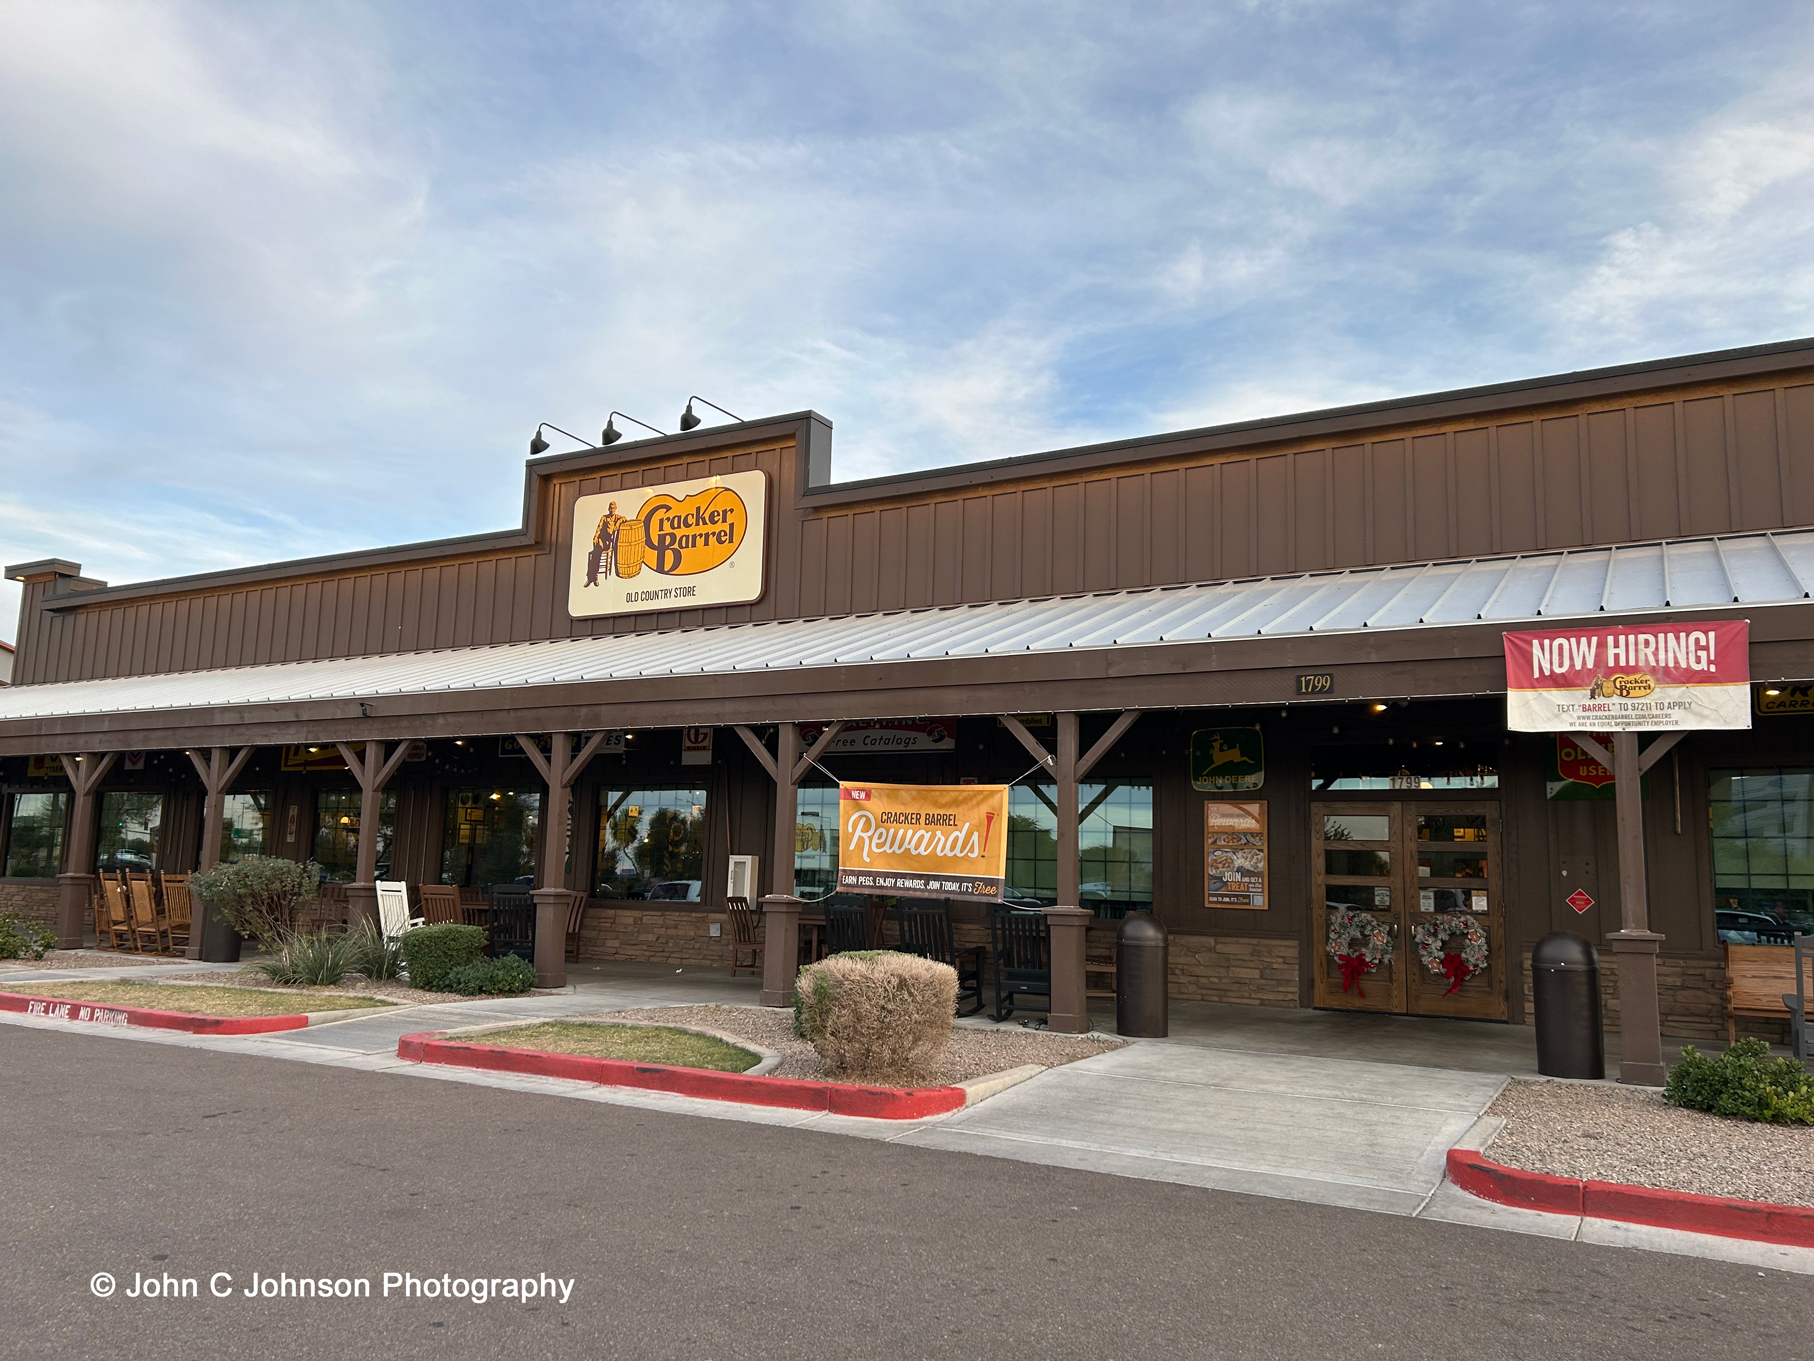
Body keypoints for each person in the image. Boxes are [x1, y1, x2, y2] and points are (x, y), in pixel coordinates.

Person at [584, 502, 626, 586]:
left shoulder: (617, 517)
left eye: (613, 508)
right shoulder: (604, 517)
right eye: (610, 508)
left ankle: (592, 577)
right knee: (596, 551)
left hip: (607, 542)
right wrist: (595, 537)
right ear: (608, 509)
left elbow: (624, 518)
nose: (611, 510)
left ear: (615, 509)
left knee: (595, 554)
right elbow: (599, 528)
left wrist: (618, 523)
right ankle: (593, 577)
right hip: (600, 540)